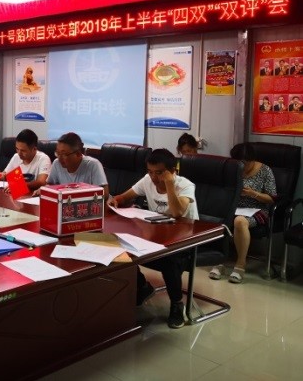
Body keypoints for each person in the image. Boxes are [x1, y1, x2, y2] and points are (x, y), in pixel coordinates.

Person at [108, 149, 198, 329]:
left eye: (159, 173)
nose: (153, 177)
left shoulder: (186, 185)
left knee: (169, 260)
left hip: (186, 240)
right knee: (123, 249)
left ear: (172, 171)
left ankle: (177, 304)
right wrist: (116, 200)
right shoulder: (147, 180)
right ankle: (142, 287)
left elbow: (177, 212)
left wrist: (170, 184)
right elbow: (124, 196)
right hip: (158, 236)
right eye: (150, 172)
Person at [210, 143, 276, 284]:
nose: (242, 167)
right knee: (219, 219)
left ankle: (240, 265)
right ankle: (219, 261)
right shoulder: (233, 169)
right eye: (239, 163)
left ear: (252, 159)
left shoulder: (265, 170)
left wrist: (253, 194)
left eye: (245, 163)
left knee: (239, 221)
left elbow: (271, 198)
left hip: (257, 209)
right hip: (234, 207)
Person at [45, 132, 108, 199]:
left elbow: (105, 194)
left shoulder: (93, 165)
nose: (59, 158)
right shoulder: (57, 163)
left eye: (64, 154)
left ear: (78, 154)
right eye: (58, 153)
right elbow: (50, 185)